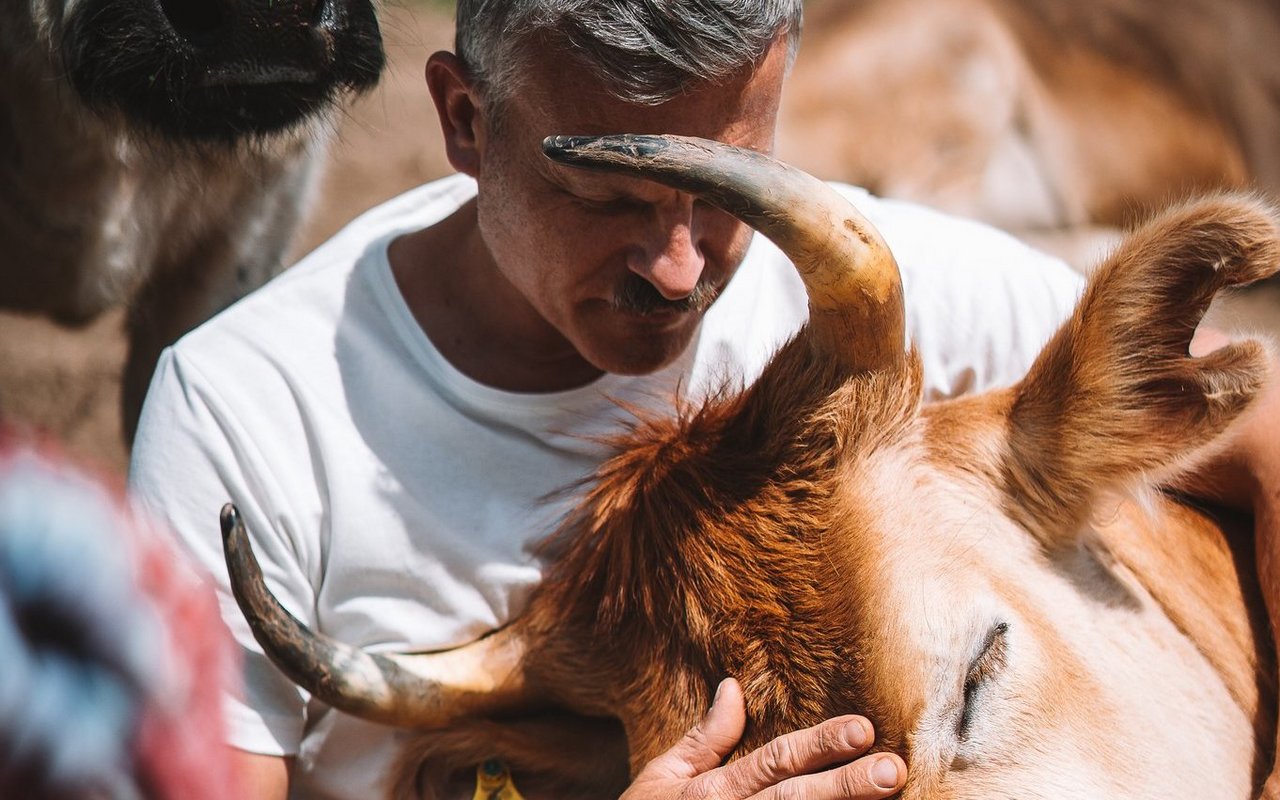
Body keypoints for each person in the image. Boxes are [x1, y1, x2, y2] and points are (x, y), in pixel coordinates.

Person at [126, 1, 1280, 798]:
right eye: (603, 194)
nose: (676, 269)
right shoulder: (242, 417)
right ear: (465, 122)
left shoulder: (864, 281)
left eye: (726, 184)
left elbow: (1268, 422)